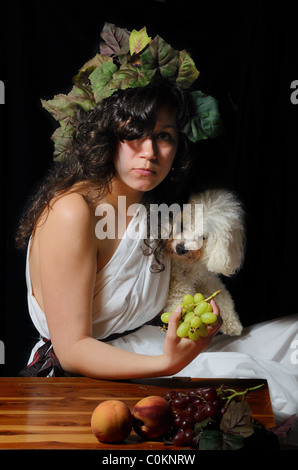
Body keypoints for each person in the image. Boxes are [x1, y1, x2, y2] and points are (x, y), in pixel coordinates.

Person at [16, 24, 224, 378]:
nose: (150, 152)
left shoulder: (153, 211)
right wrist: (168, 363)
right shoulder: (71, 212)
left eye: (163, 136)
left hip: (146, 351)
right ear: (107, 135)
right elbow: (72, 350)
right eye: (134, 134)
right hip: (81, 381)